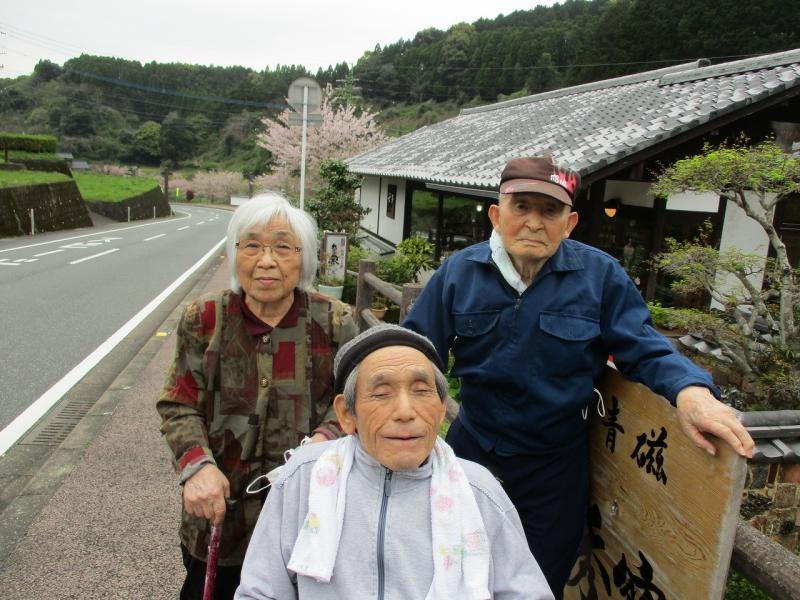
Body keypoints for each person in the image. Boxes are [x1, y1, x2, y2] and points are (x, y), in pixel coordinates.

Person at [402, 156, 755, 599]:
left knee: (536, 582)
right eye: (522, 206)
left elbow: (643, 346)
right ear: (497, 214)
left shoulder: (600, 277)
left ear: (569, 223)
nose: (534, 222)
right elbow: (414, 351)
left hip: (554, 468)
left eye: (549, 211)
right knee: (449, 569)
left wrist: (691, 391)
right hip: (473, 451)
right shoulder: (461, 272)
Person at [235, 324, 554, 600]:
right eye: (382, 393)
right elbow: (261, 590)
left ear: (442, 409)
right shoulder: (304, 479)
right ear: (347, 414)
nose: (405, 411)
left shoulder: (477, 492)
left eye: (421, 390)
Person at [157, 193, 357, 600]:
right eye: (252, 246)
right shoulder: (204, 318)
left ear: (303, 258)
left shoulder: (334, 322)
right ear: (235, 254)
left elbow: (354, 402)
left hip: (305, 516)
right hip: (219, 517)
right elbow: (179, 402)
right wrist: (196, 467)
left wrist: (323, 441)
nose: (266, 260)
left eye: (282, 247)